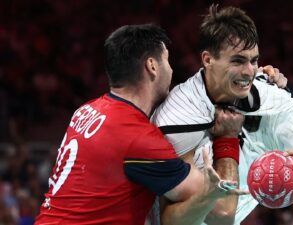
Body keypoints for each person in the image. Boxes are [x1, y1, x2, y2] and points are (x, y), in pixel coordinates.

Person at [151, 5, 293, 225]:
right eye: (237, 61)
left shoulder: (271, 98)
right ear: (207, 60)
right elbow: (215, 217)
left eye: (254, 60)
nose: (249, 71)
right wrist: (228, 139)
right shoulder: (178, 117)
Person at [34, 24, 247, 225]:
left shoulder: (86, 110)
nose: (171, 71)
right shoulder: (137, 138)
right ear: (152, 66)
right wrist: (228, 137)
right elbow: (222, 211)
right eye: (167, 61)